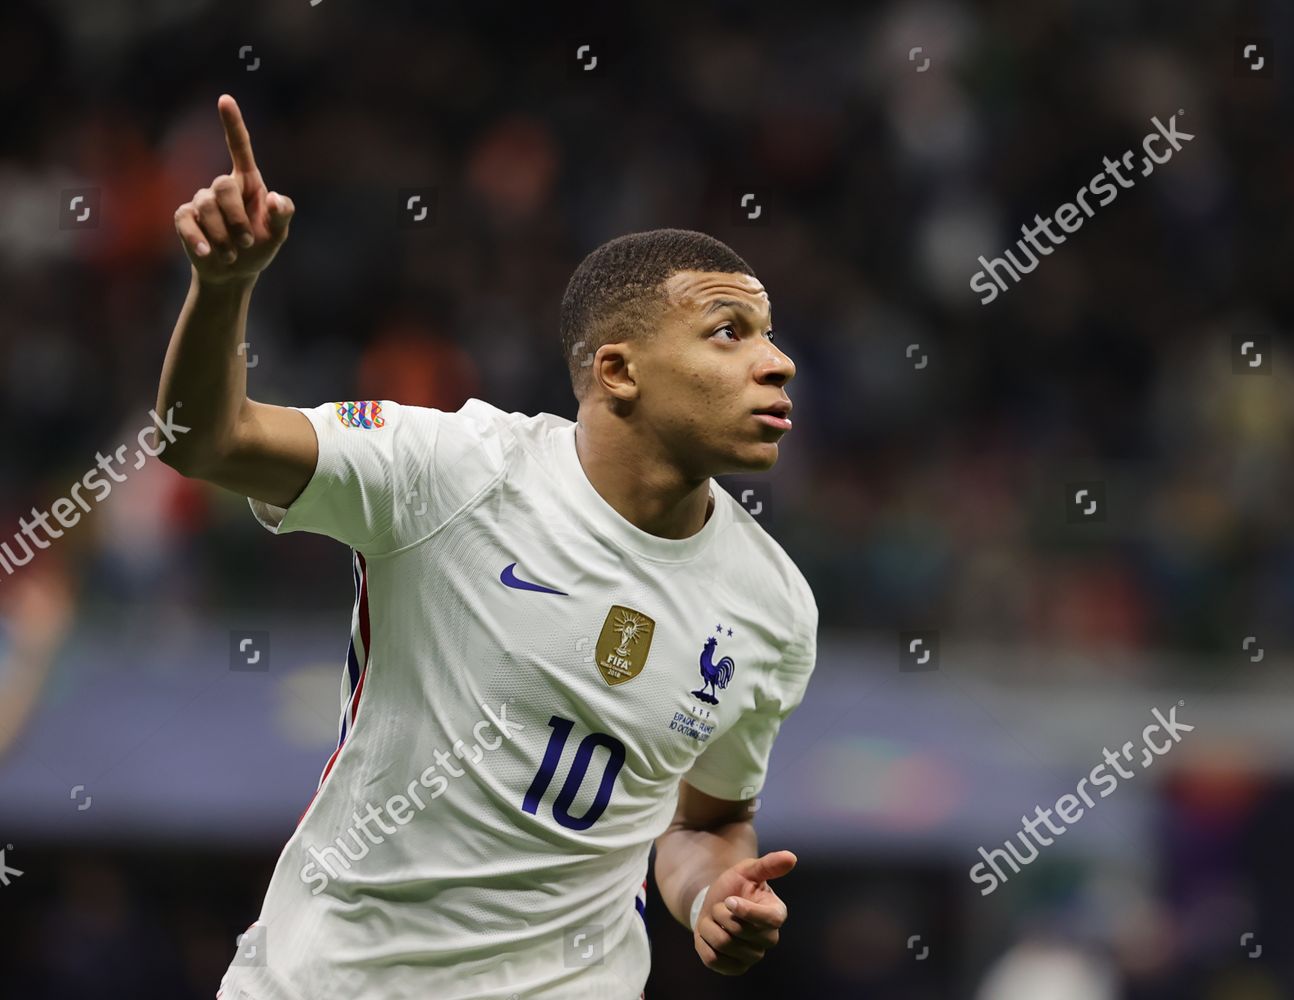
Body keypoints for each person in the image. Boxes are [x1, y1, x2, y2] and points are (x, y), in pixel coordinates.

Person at [160, 94, 817, 1000]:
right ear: (618, 371)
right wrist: (224, 288)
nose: (775, 361)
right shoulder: (452, 470)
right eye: (729, 333)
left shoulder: (774, 606)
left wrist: (711, 891)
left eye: (770, 334)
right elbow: (208, 441)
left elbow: (707, 821)